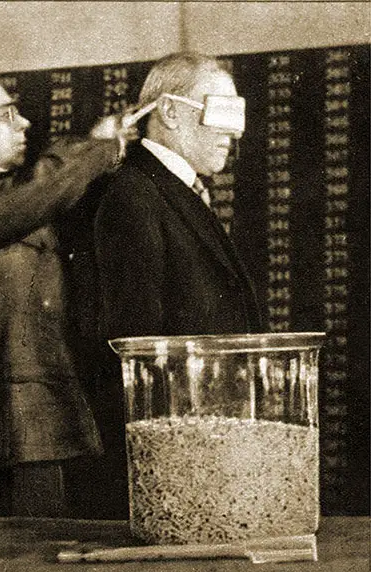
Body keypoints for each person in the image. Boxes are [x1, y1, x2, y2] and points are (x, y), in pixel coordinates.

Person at [0, 68, 136, 519]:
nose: (25, 125)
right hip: (17, 426)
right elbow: (43, 188)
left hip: (43, 422)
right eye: (7, 115)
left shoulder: (3, 206)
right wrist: (101, 147)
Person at [71, 52, 263, 518]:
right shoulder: (133, 194)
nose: (234, 132)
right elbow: (135, 345)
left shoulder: (178, 190)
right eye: (221, 112)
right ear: (171, 112)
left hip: (206, 442)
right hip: (176, 458)